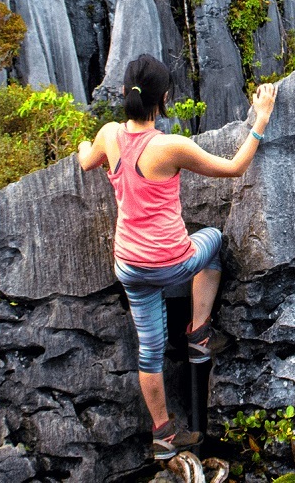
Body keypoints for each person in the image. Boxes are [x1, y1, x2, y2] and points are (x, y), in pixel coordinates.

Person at [77, 54, 278, 460]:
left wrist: (85, 143)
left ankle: (164, 437)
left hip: (130, 266)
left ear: (122, 93)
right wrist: (261, 118)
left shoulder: (108, 135)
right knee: (215, 242)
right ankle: (199, 335)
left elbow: (85, 161)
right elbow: (235, 167)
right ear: (165, 99)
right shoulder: (169, 147)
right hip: (172, 261)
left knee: (148, 352)